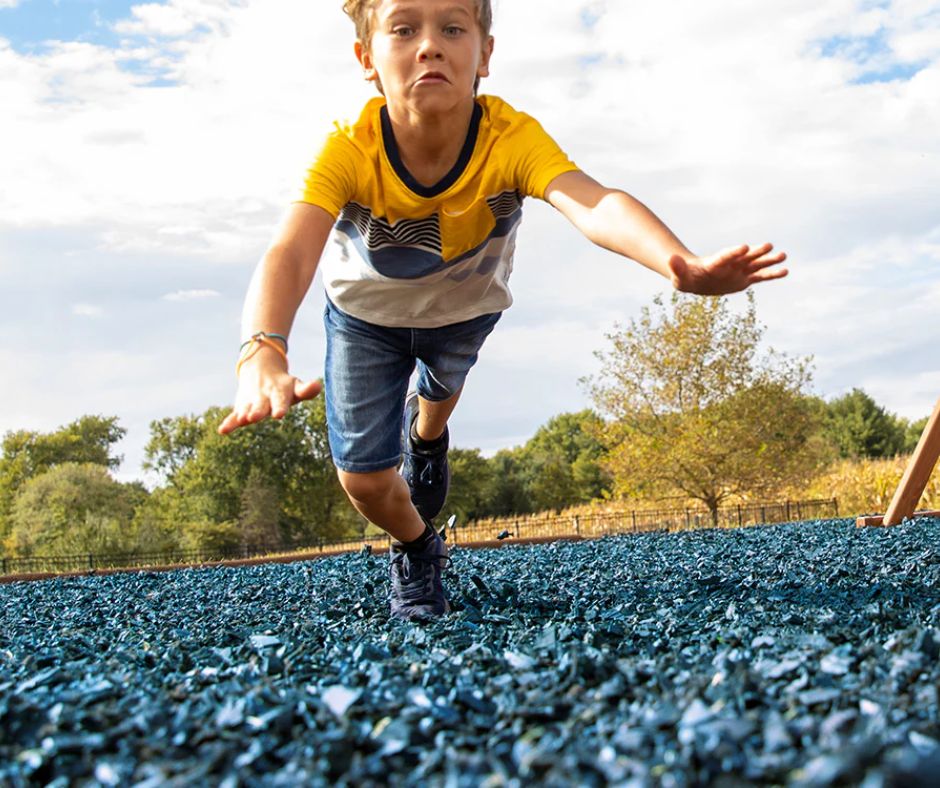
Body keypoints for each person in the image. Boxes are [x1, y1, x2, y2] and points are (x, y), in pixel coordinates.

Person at [218, 0, 788, 621]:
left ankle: (426, 433)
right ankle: (418, 545)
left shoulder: (510, 138)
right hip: (365, 322)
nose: (430, 45)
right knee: (364, 481)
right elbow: (291, 249)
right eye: (404, 29)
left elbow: (592, 203)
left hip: (464, 311)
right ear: (366, 59)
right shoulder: (348, 150)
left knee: (442, 385)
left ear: (485, 53)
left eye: (453, 28)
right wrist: (263, 348)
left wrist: (678, 262)